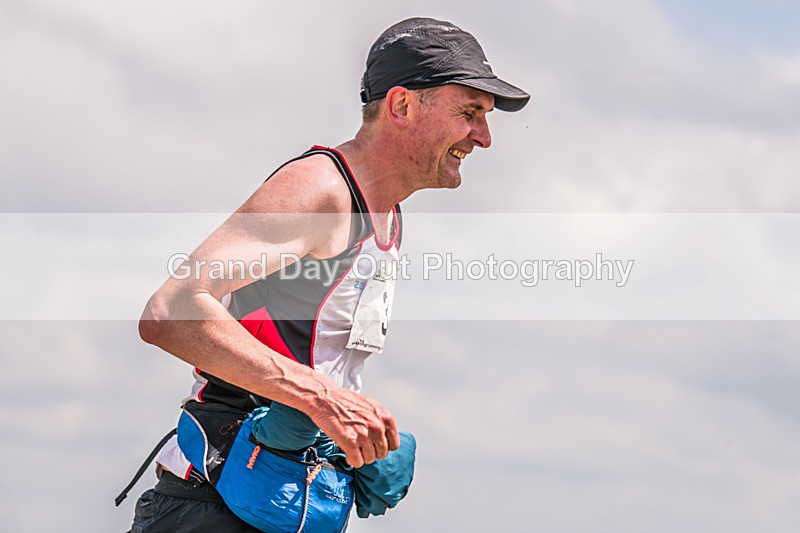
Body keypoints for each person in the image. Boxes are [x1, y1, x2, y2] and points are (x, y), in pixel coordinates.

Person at [126, 16, 529, 532]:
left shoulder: (387, 212)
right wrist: (322, 399)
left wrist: (349, 436)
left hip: (287, 505)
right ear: (402, 105)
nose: (485, 137)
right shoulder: (321, 190)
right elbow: (170, 310)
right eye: (470, 113)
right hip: (214, 508)